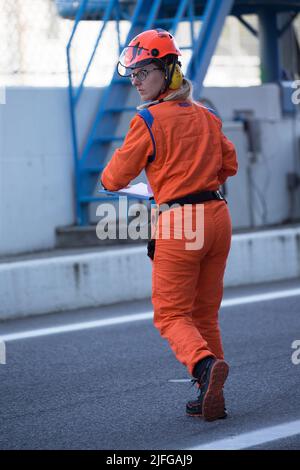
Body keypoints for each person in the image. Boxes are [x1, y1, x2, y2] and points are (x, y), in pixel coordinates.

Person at [101, 29, 238, 421]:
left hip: (181, 223)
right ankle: (212, 395)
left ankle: (203, 367)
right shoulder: (207, 116)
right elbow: (230, 166)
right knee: (205, 314)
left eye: (143, 72)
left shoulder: (147, 120)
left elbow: (113, 178)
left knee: (170, 314)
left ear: (167, 70)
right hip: (217, 216)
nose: (136, 82)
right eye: (133, 75)